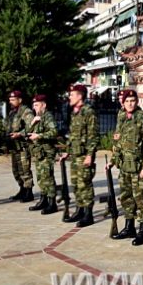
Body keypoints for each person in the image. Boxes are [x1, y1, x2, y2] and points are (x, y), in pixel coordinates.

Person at [107, 90, 143, 245]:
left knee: (141, 199)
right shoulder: (121, 117)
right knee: (126, 198)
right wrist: (113, 160)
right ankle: (129, 227)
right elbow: (117, 142)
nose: (130, 103)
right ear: (123, 102)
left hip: (139, 167)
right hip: (124, 167)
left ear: (137, 101)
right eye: (127, 101)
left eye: (133, 100)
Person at [59, 85, 99, 228]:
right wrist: (67, 151)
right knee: (76, 184)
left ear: (80, 96)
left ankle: (88, 214)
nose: (69, 97)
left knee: (85, 184)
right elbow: (73, 136)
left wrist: (90, 155)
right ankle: (79, 210)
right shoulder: (74, 113)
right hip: (75, 155)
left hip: (84, 155)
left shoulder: (89, 112)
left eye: (72, 95)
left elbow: (93, 136)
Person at [27, 94, 59, 215]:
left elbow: (54, 132)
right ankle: (43, 199)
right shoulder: (38, 118)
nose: (34, 107)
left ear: (43, 105)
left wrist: (39, 136)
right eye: (33, 105)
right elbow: (29, 133)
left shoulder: (47, 117)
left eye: (37, 105)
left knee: (47, 177)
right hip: (39, 152)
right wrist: (32, 123)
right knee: (41, 177)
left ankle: (52, 203)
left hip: (46, 152)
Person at [4, 90, 35, 202]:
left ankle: (28, 192)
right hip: (14, 146)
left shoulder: (26, 112)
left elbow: (31, 127)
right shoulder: (12, 113)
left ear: (20, 100)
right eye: (9, 100)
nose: (10, 102)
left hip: (23, 146)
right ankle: (22, 189)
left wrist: (20, 134)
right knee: (16, 170)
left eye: (13, 100)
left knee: (25, 169)